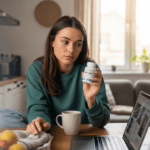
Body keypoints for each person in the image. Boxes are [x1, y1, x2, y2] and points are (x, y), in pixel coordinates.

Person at [0, 16, 110, 135]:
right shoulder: (37, 70)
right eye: (65, 42)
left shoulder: (90, 69)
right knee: (4, 116)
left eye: (78, 44)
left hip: (81, 134)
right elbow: (37, 107)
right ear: (52, 41)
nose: (71, 49)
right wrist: (40, 121)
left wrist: (91, 100)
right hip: (50, 131)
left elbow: (101, 122)